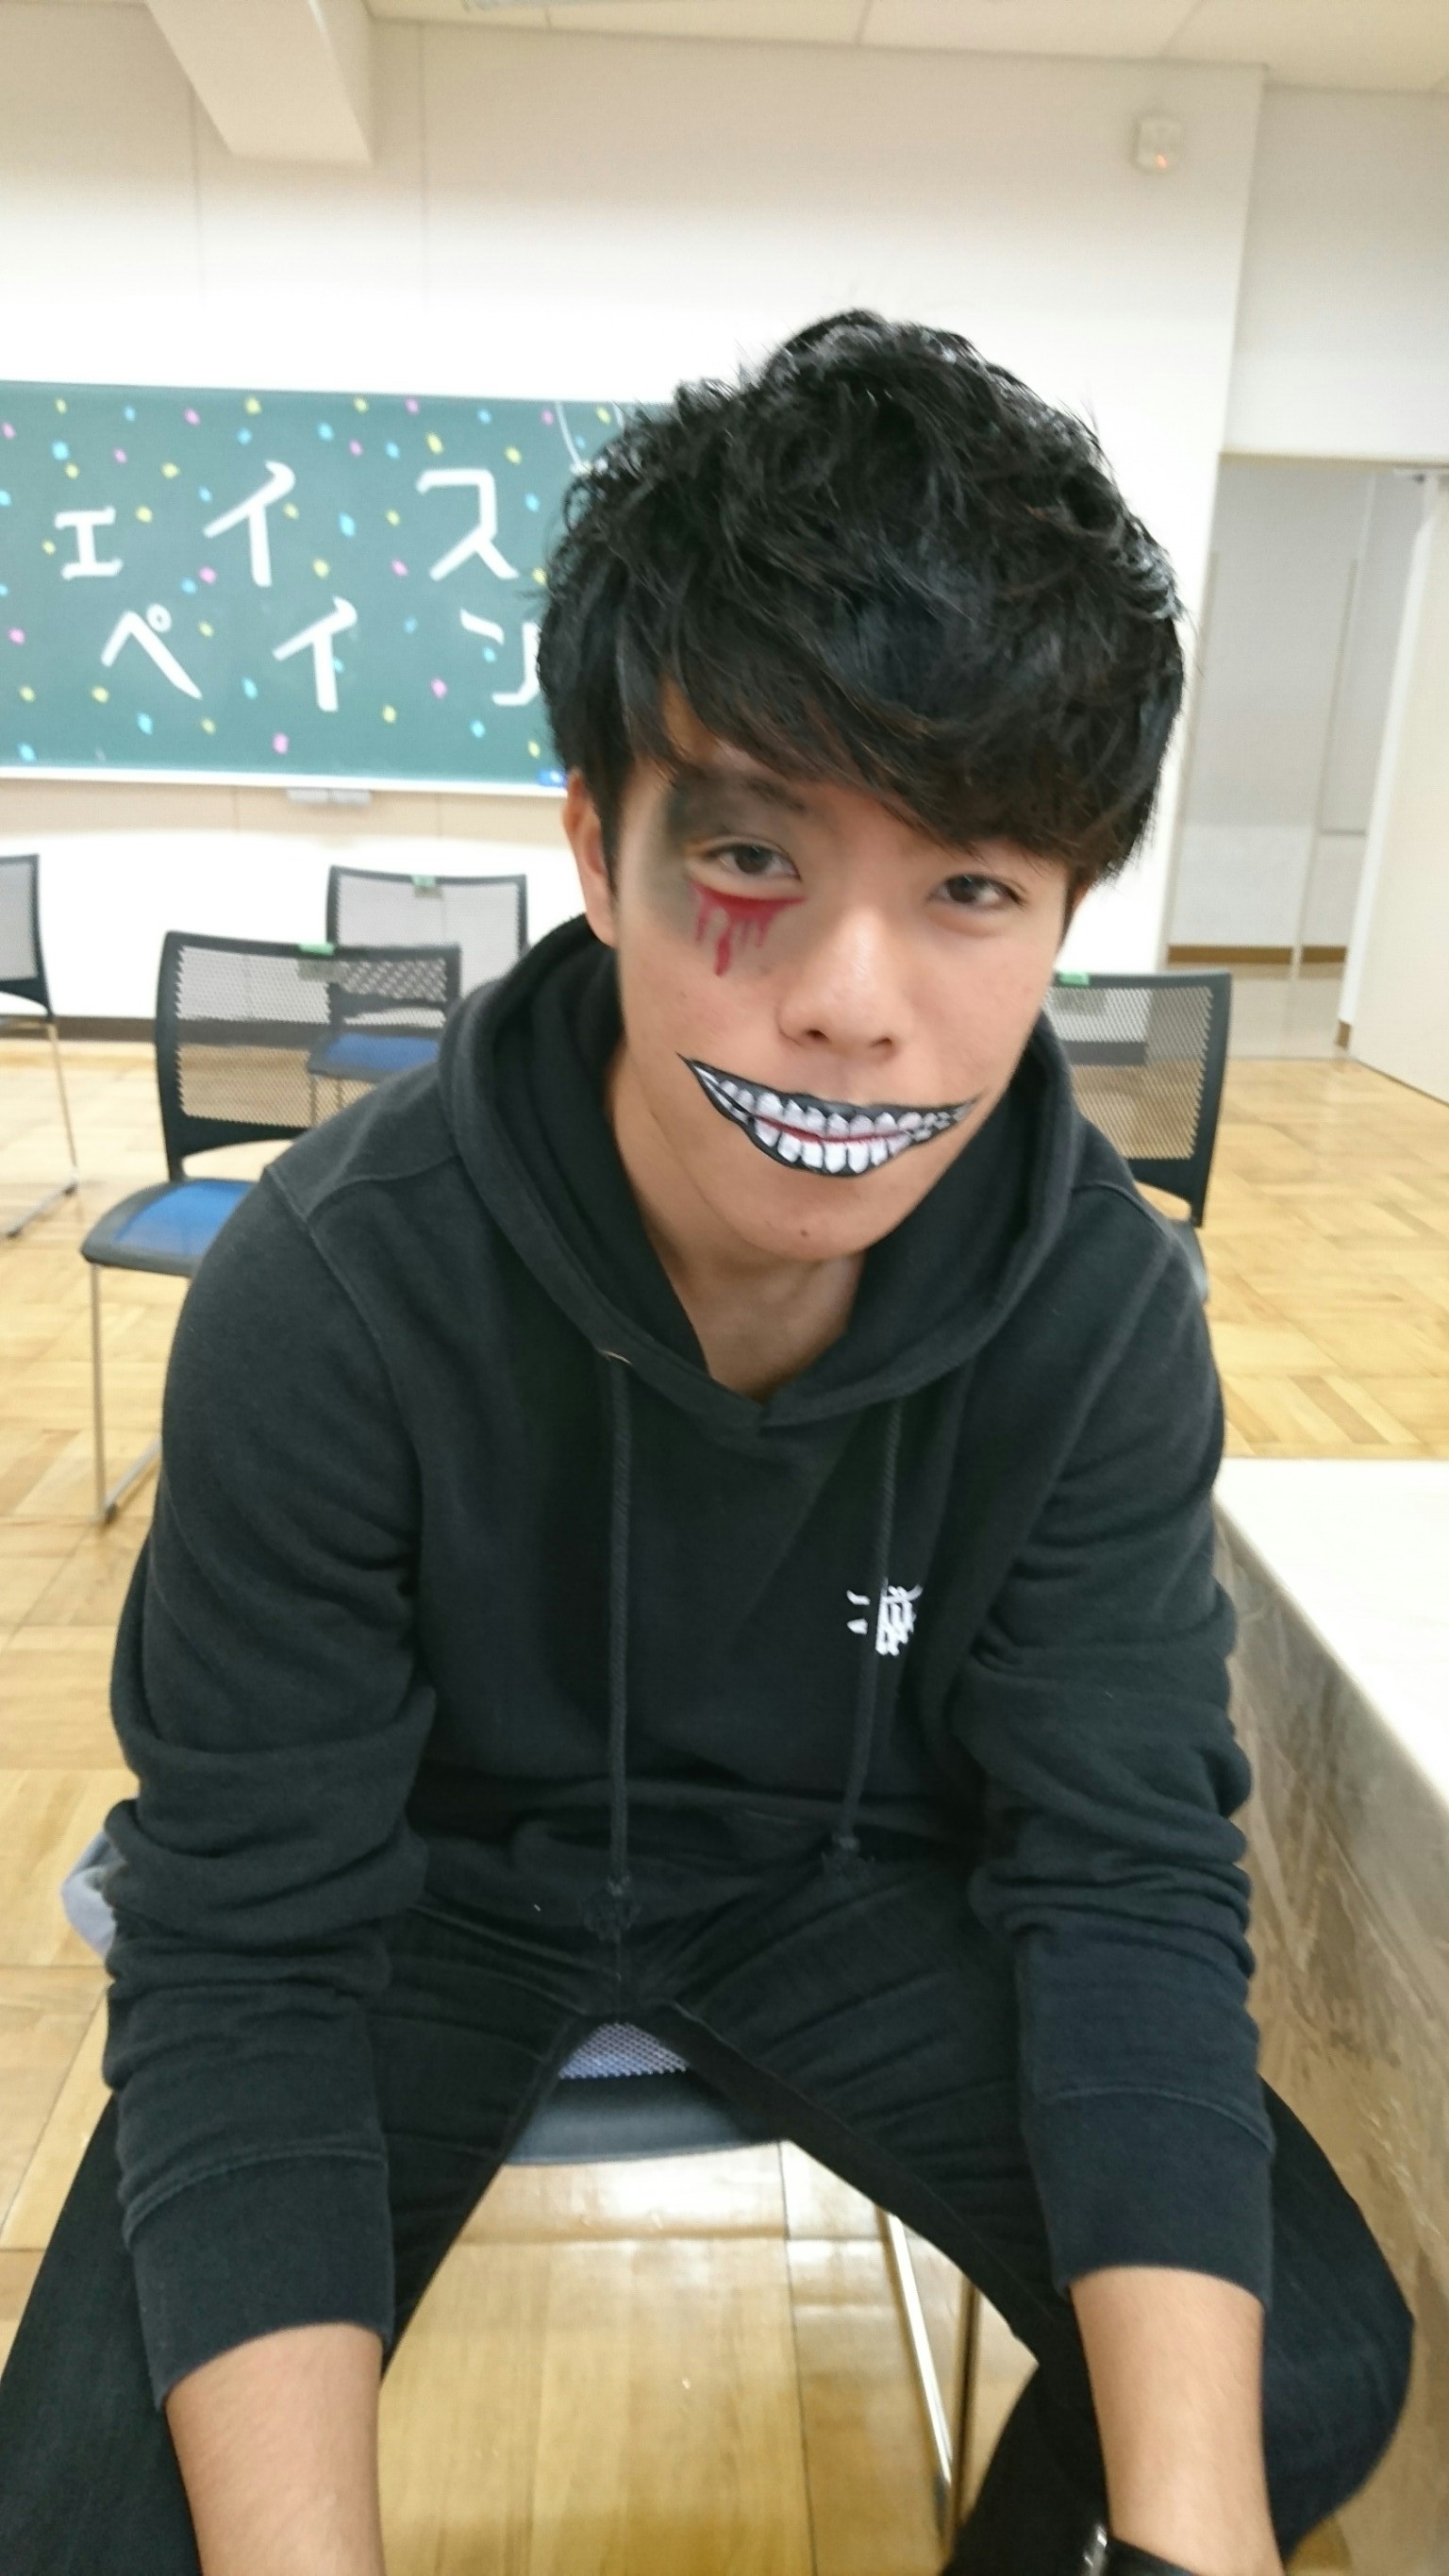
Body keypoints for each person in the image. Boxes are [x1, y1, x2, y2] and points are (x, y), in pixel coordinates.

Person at [0, 314, 1410, 2576]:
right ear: (598, 842)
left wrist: (1190, 2540)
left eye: (971, 889)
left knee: (1304, 2370)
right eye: (752, 855)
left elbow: (1124, 1876)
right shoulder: (335, 1289)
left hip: (854, 1884)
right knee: (86, 2520)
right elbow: (250, 1957)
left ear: (1066, 914)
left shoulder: (1092, 1309)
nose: (853, 999)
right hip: (426, 1889)